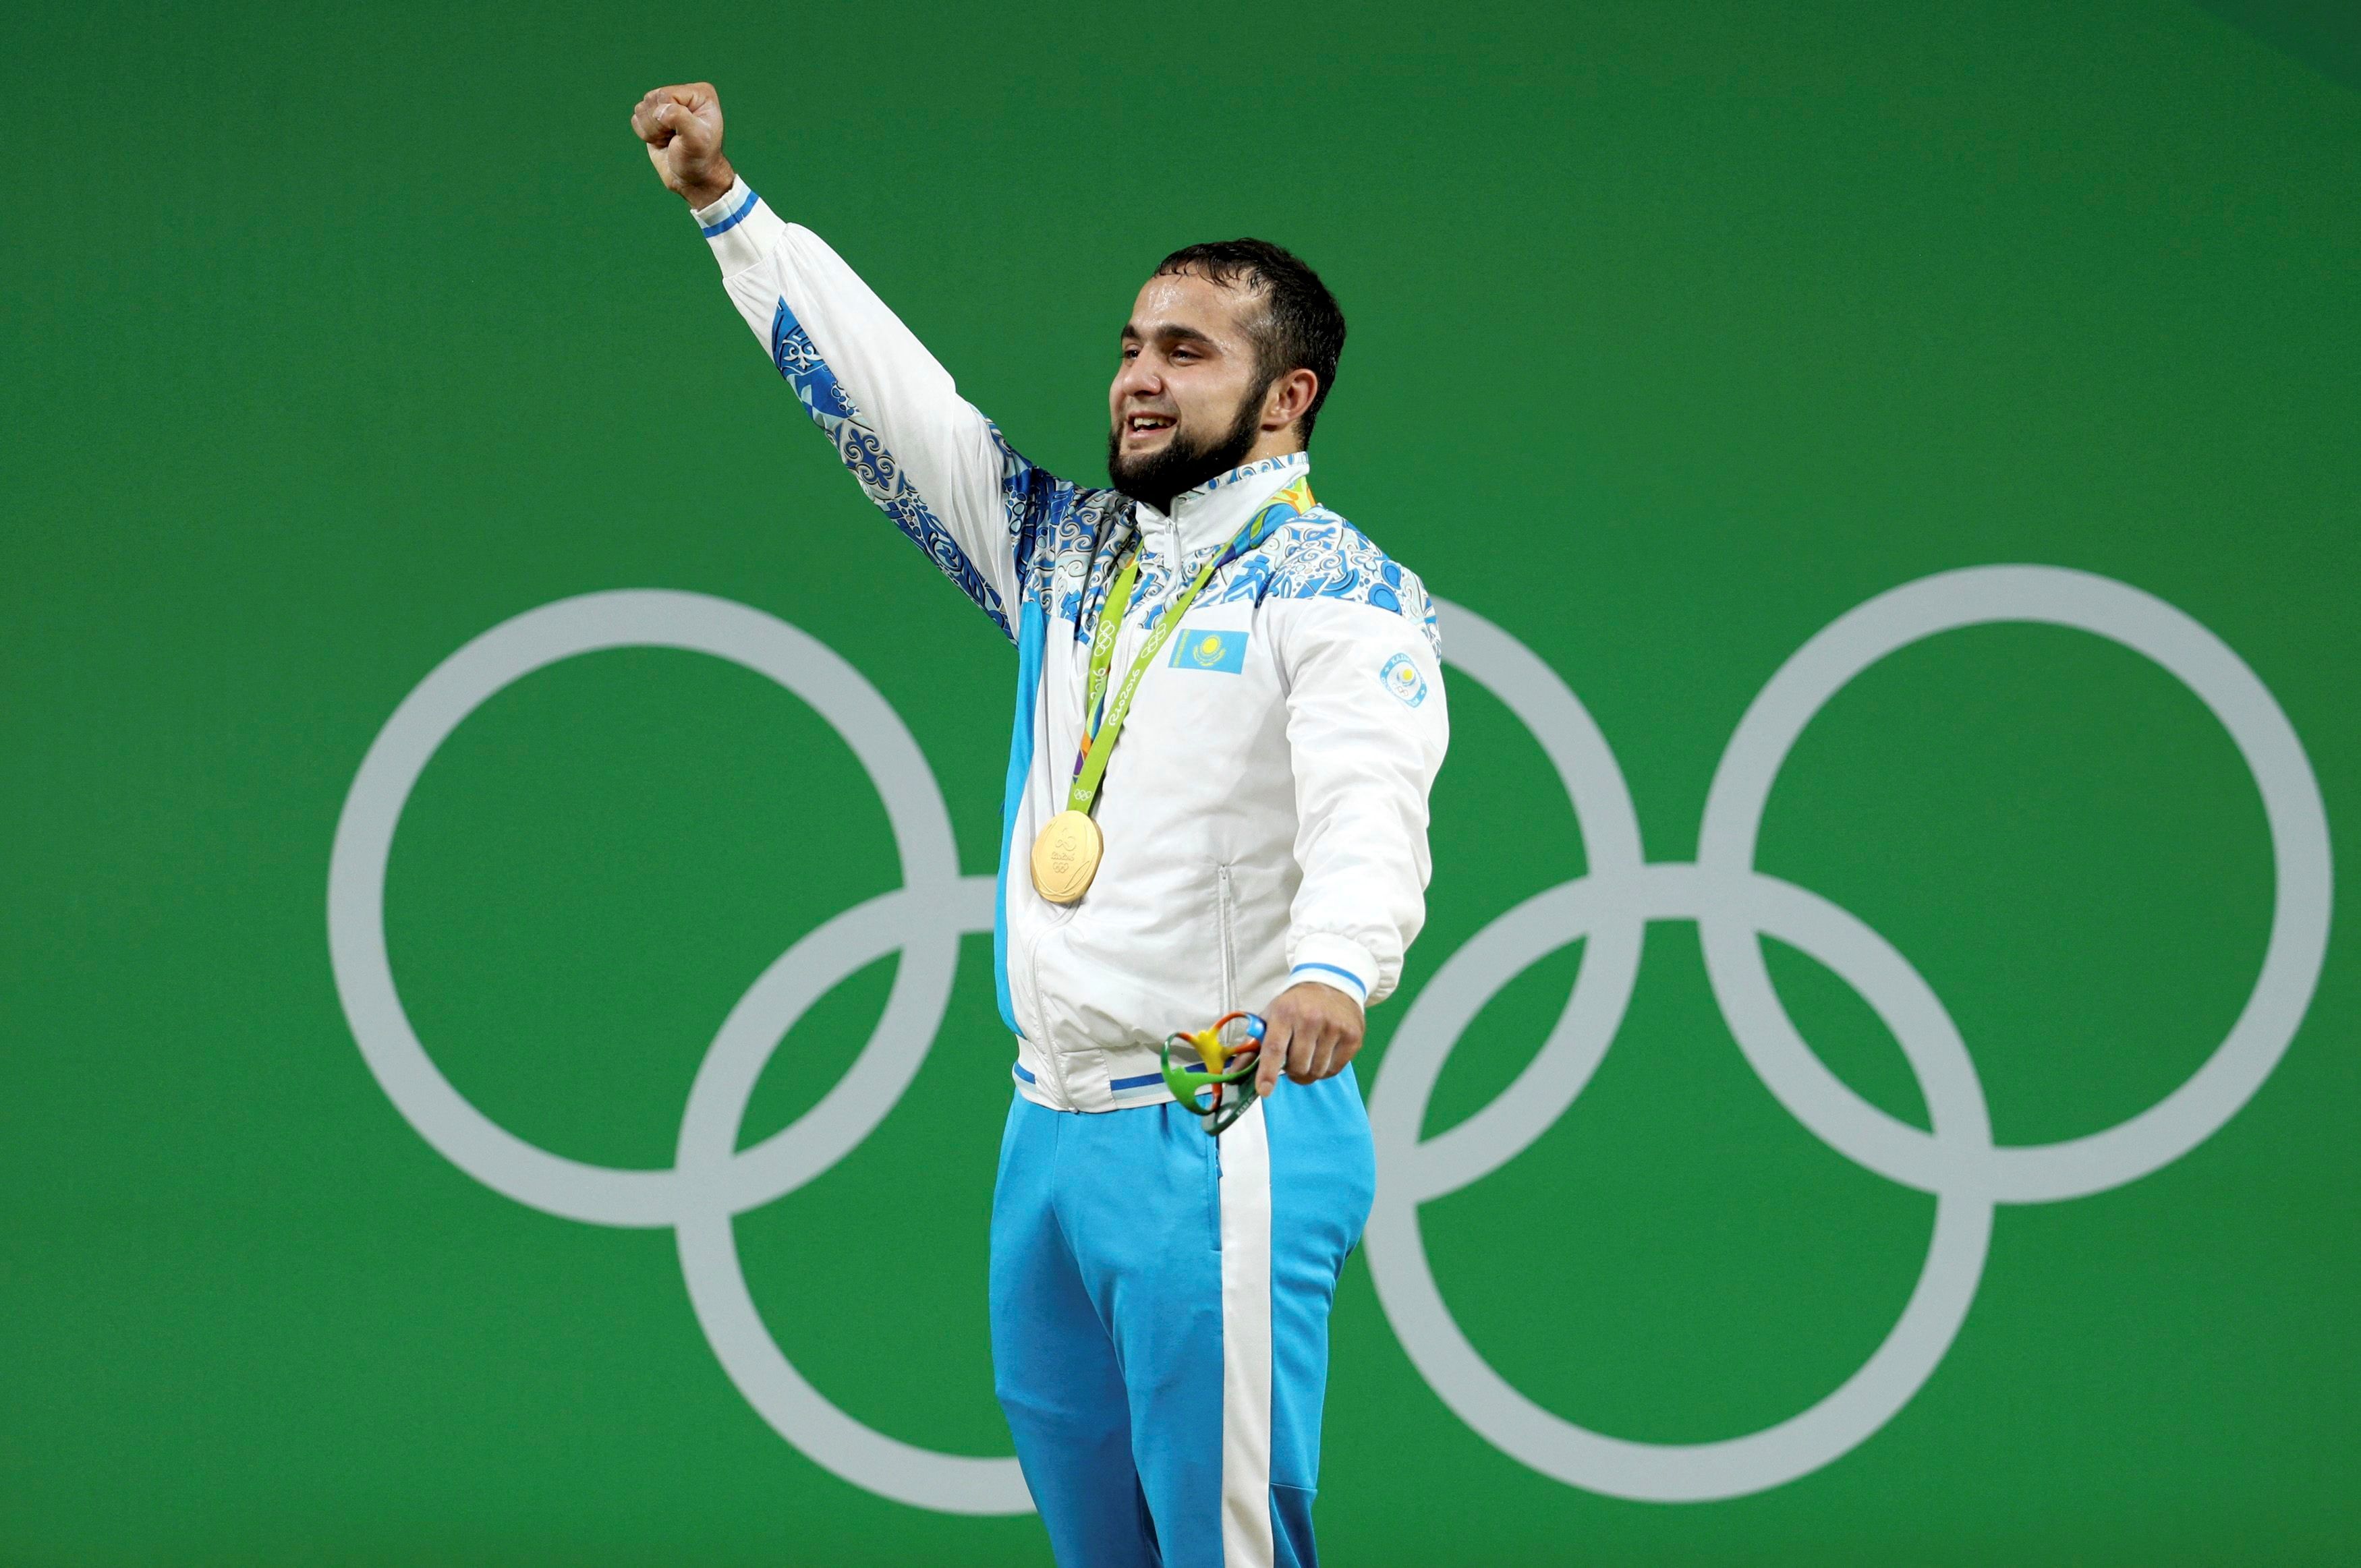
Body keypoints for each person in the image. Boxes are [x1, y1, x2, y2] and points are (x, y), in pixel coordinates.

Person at [632, 81, 1449, 1568]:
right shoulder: (1067, 554)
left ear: (1287, 395)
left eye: (1185, 351)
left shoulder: (1339, 588)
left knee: (1223, 1546)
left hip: (1222, 1119)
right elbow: (900, 406)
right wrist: (731, 214)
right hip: (1048, 1129)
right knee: (1099, 1544)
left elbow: (1368, 800)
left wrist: (1334, 966)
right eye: (1131, 345)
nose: (1137, 377)